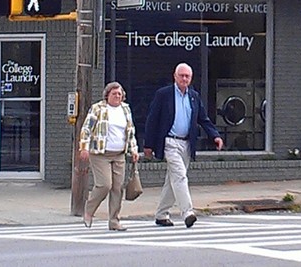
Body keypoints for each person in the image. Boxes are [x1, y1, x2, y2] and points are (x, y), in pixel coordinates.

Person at [144, 62, 223, 228]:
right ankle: (187, 212)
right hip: (169, 141)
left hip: (186, 143)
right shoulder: (163, 94)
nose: (184, 79)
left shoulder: (193, 96)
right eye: (182, 75)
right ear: (175, 76)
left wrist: (214, 135)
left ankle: (161, 214)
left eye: (187, 76)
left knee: (172, 181)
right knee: (180, 176)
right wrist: (148, 145)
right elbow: (152, 120)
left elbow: (203, 118)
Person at [78, 81, 140, 231]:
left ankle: (114, 221)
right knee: (105, 185)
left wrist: (134, 150)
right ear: (107, 95)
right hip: (100, 154)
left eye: (119, 94)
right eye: (114, 94)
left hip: (119, 154)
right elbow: (86, 128)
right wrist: (83, 147)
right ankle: (89, 210)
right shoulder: (98, 108)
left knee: (117, 188)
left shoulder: (125, 109)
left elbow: (130, 131)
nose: (117, 96)